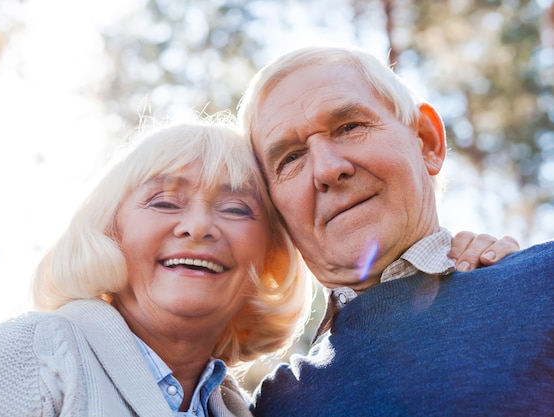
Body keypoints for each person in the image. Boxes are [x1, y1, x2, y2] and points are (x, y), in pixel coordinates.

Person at [237, 45, 554, 416]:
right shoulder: (274, 406)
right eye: (290, 157)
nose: (326, 169)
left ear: (427, 141)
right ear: (274, 215)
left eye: (350, 127)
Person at [0, 115, 314, 416]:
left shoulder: (243, 409)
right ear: (110, 231)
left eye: (235, 209)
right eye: (164, 202)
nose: (198, 227)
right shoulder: (29, 356)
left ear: (270, 256)